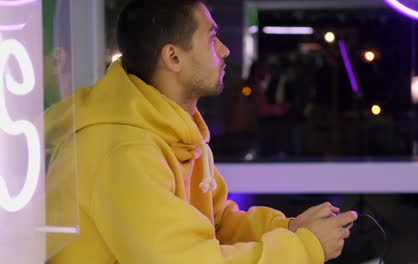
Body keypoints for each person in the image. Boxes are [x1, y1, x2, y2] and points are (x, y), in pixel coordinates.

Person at [45, 0, 357, 263]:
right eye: (211, 38)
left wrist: (289, 229)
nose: (224, 51)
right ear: (173, 57)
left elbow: (217, 223)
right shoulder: (121, 151)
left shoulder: (168, 132)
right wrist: (303, 248)